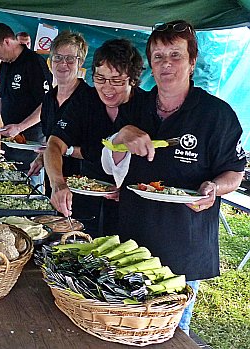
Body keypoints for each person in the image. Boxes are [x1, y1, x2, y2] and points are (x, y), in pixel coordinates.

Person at [101, 20, 246, 333]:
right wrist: (123, 135)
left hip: (183, 244)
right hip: (130, 238)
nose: (166, 64)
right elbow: (111, 161)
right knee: (125, 324)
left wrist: (214, 188)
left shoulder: (216, 115)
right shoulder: (135, 105)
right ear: (151, 62)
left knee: (169, 332)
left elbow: (235, 171)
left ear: (192, 60)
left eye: (175, 55)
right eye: (158, 56)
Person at [44, 39, 143, 236]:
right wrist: (58, 183)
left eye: (116, 81)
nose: (107, 88)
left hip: (129, 208)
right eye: (100, 79)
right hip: (84, 198)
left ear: (132, 79)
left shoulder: (145, 107)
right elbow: (54, 144)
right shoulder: (85, 100)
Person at [0, 22, 52, 176]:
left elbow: (47, 104)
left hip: (30, 138)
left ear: (7, 42)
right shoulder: (5, 65)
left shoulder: (34, 63)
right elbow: (3, 98)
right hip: (9, 135)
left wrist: (20, 127)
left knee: (27, 179)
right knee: (9, 175)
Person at [27, 30, 89, 197]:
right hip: (52, 184)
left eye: (70, 59)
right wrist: (42, 158)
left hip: (82, 187)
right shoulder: (48, 99)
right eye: (58, 58)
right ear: (50, 61)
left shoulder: (90, 99)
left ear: (80, 62)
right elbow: (49, 140)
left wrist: (63, 151)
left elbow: (97, 150)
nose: (63, 64)